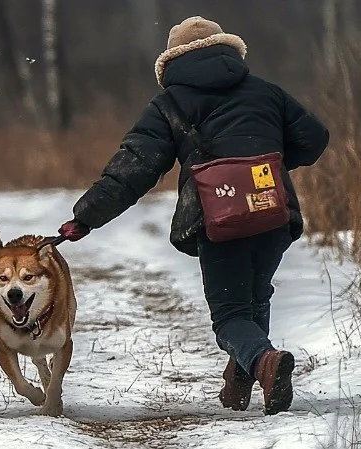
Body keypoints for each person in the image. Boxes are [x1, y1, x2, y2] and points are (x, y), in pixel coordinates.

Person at [57, 16, 329, 415]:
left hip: (217, 215)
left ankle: (264, 362)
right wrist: (268, 159)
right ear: (228, 49)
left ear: (171, 62)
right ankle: (240, 384)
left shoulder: (169, 105)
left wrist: (86, 217)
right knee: (255, 295)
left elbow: (135, 167)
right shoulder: (265, 92)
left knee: (231, 313)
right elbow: (314, 138)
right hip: (272, 207)